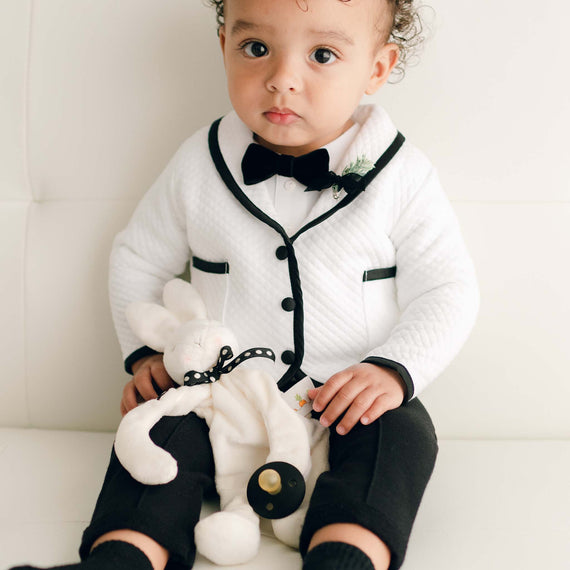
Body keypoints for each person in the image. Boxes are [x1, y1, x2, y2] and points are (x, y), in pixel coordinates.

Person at [13, 0, 479, 569]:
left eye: (322, 55)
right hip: (220, 400)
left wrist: (391, 369)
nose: (282, 79)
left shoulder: (401, 176)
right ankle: (126, 552)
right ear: (223, 45)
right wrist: (145, 356)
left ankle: (350, 552)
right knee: (158, 428)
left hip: (341, 404)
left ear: (377, 68)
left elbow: (448, 288)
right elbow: (136, 258)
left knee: (402, 432)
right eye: (256, 48)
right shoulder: (199, 165)